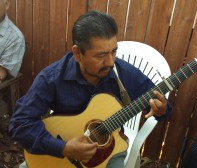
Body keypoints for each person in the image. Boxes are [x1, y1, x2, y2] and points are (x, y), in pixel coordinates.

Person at [9, 10, 172, 168]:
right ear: (77, 53)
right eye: (101, 55)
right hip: (60, 153)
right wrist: (63, 148)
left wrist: (162, 109)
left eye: (114, 52)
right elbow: (20, 124)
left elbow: (161, 105)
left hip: (110, 151)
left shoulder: (124, 73)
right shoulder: (51, 78)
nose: (110, 62)